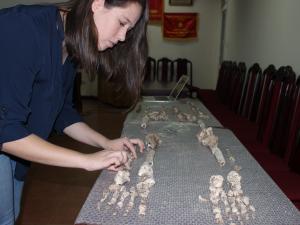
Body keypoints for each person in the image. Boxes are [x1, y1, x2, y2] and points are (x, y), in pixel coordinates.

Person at [0, 0, 148, 224]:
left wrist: (106, 143)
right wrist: (86, 161)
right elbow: (5, 130)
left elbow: (63, 113)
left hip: (17, 153)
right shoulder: (23, 27)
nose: (122, 37)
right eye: (122, 23)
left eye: (128, 30)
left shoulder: (69, 44)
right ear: (97, 4)